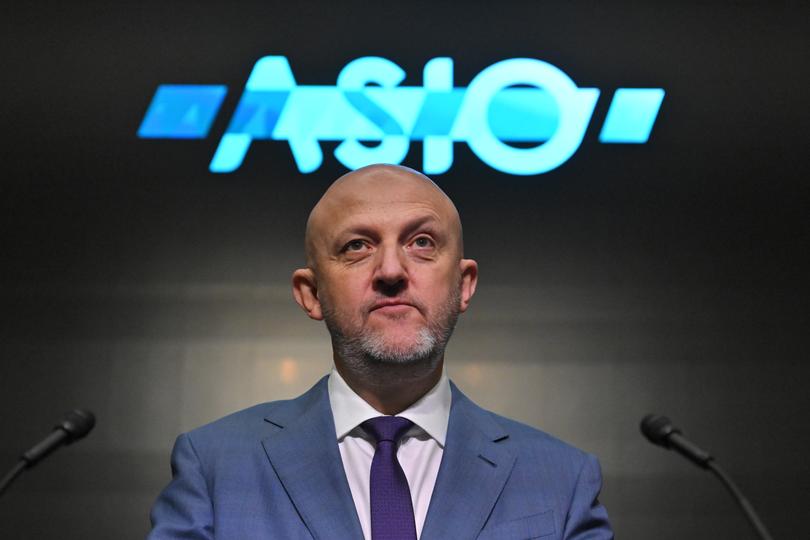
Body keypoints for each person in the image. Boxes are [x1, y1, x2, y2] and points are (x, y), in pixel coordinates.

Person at [148, 164, 613, 539]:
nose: (391, 269)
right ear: (311, 294)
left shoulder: (562, 480)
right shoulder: (214, 466)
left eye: (422, 243)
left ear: (464, 284)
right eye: (357, 246)